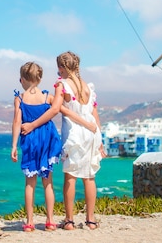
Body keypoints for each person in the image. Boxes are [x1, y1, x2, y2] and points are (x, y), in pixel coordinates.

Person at [21, 51, 105, 231]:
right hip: (92, 132)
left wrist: (31, 125)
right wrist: (100, 140)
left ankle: (69, 220)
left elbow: (55, 109)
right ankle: (90, 220)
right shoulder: (88, 87)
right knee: (89, 177)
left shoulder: (62, 85)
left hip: (75, 133)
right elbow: (94, 113)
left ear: (61, 67)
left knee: (71, 177)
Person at [11, 61, 63, 232]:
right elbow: (61, 106)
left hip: (30, 141)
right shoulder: (47, 97)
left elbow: (17, 122)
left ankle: (29, 222)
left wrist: (14, 146)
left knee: (29, 183)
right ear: (40, 79)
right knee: (48, 182)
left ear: (22, 80)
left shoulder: (19, 99)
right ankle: (50, 221)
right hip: (46, 140)